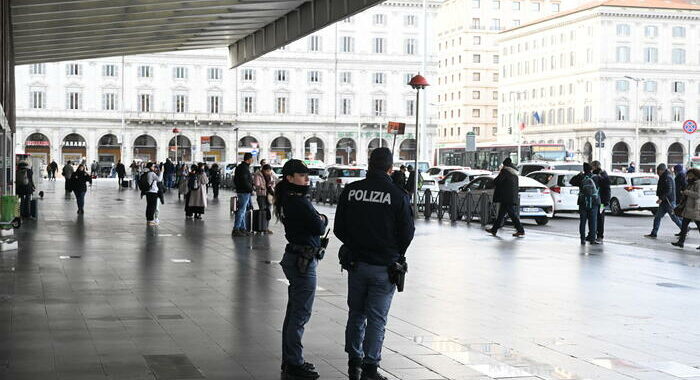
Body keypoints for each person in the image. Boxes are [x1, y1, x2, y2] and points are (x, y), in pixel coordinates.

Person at [334, 148, 415, 380]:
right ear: (390, 168)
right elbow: (407, 232)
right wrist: (395, 252)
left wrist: (355, 245)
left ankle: (354, 361)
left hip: (356, 263)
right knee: (377, 318)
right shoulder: (398, 195)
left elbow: (339, 227)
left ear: (369, 165)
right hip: (384, 266)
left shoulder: (351, 191)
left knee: (356, 313)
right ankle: (370, 367)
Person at [274, 160, 328, 379]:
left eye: (308, 175)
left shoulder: (287, 199)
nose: (307, 178)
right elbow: (319, 226)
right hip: (303, 261)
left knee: (294, 311)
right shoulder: (298, 201)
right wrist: (321, 218)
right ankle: (294, 362)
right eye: (302, 175)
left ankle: (290, 360)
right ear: (289, 178)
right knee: (300, 313)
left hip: (295, 257)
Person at [486, 158, 525, 237]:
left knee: (512, 214)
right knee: (501, 214)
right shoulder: (514, 173)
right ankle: (494, 229)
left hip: (505, 197)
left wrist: (500, 172)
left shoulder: (505, 172)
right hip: (510, 197)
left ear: (504, 165)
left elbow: (497, 181)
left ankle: (520, 230)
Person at [646, 163, 683, 238]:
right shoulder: (664, 176)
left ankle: (684, 230)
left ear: (661, 170)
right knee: (658, 217)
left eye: (658, 171)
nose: (657, 172)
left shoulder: (667, 177)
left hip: (668, 201)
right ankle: (654, 233)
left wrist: (661, 199)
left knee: (674, 218)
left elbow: (669, 190)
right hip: (664, 201)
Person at [570, 163, 601, 245]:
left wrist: (579, 174)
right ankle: (592, 239)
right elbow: (604, 183)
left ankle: (582, 239)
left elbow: (571, 182)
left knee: (583, 222)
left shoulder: (581, 177)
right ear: (591, 169)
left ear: (584, 170)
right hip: (594, 202)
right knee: (593, 221)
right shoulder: (595, 177)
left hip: (583, 202)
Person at [672, 168, 700, 248]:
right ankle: (681, 242)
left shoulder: (698, 183)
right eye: (688, 175)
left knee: (699, 226)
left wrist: (686, 192)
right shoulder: (691, 183)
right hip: (688, 208)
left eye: (690, 175)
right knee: (684, 226)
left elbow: (698, 195)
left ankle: (681, 242)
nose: (688, 177)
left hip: (695, 208)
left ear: (695, 175)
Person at [232, 153, 254, 236]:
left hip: (242, 190)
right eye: (252, 159)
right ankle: (236, 228)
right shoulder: (244, 168)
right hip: (244, 191)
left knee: (243, 210)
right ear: (248, 159)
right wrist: (251, 189)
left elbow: (236, 180)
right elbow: (245, 181)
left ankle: (242, 228)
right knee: (241, 210)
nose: (252, 160)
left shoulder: (241, 167)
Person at [253, 164, 276, 234]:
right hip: (261, 195)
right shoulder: (258, 175)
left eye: (269, 171)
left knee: (268, 211)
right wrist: (264, 186)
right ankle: (261, 228)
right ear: (263, 170)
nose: (268, 172)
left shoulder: (271, 175)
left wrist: (271, 184)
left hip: (269, 195)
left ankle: (266, 228)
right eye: (267, 171)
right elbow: (256, 184)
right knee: (262, 211)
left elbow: (273, 183)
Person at [591, 161, 611, 242]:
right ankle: (595, 233)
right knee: (597, 217)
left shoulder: (603, 175)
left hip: (602, 201)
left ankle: (600, 235)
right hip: (599, 200)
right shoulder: (602, 174)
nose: (591, 169)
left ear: (595, 166)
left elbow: (606, 188)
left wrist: (606, 201)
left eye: (592, 167)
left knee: (600, 217)